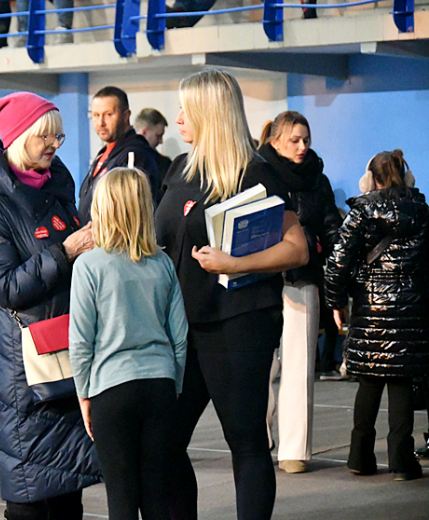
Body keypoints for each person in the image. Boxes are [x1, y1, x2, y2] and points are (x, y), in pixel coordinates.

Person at [154, 69, 309, 520]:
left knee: (245, 440)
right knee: (165, 441)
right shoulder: (179, 169)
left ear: (210, 114)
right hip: (182, 325)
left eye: (187, 109)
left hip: (238, 322)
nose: (178, 117)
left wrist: (236, 264)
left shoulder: (256, 173)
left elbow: (296, 248)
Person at [0, 91, 101, 519]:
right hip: (31, 368)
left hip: (71, 351)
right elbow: (3, 286)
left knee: (68, 493)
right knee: (30, 497)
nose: (54, 145)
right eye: (46, 136)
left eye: (58, 138)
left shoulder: (58, 190)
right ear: (18, 136)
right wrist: (66, 252)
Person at [69, 167, 189, 520]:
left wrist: (84, 393)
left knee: (120, 498)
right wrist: (175, 385)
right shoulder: (163, 263)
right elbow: (179, 335)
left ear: (101, 208)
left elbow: (81, 340)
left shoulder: (88, 265)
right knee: (157, 496)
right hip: (160, 386)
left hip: (111, 389)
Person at [325, 149, 428, 482]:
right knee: (400, 383)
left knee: (368, 382)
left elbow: (337, 262)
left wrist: (335, 302)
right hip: (410, 309)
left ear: (370, 178)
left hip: (370, 306)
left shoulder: (360, 211)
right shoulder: (423, 212)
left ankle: (359, 457)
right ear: (407, 176)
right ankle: (401, 461)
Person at [257, 111, 342, 474]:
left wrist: (338, 270)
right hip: (261, 277)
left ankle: (293, 449)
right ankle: (257, 440)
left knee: (299, 365)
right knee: (261, 366)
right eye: (295, 140)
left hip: (304, 277)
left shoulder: (317, 180)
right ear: (275, 141)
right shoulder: (257, 175)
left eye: (306, 139)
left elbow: (332, 229)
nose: (303, 146)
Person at [78, 87, 160, 225]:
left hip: (115, 244)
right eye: (96, 115)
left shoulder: (135, 155)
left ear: (126, 115)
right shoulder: (103, 155)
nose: (101, 122)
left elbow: (130, 213)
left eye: (108, 114)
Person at [134, 108, 172, 182]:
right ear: (144, 132)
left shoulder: (118, 155)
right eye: (158, 136)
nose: (161, 141)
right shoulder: (163, 164)